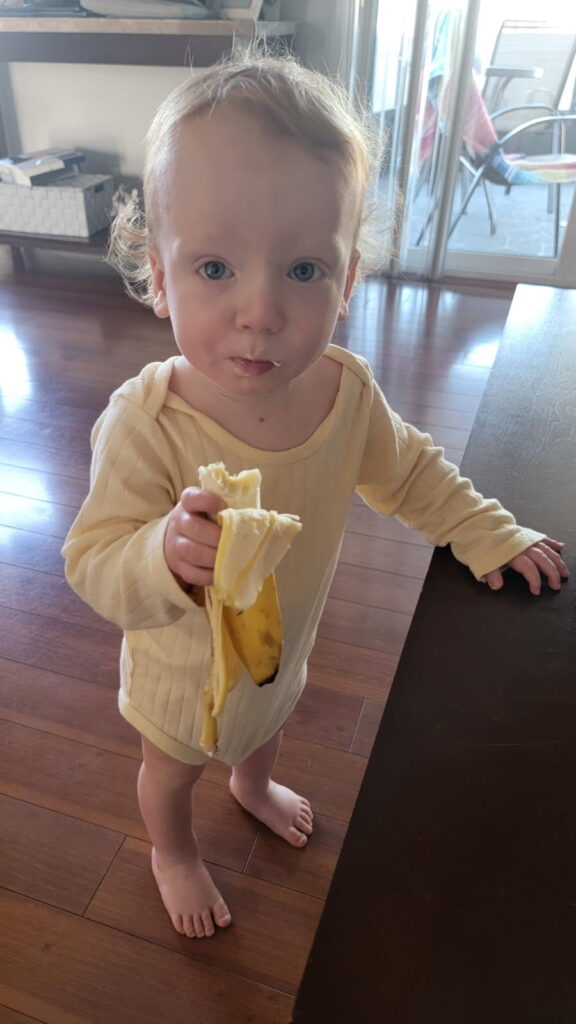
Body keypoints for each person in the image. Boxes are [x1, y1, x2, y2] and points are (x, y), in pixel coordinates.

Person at [62, 50, 569, 942]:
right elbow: (92, 559)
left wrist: (486, 532)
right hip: (180, 683)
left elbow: (410, 471)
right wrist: (161, 556)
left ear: (349, 280)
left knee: (269, 721)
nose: (260, 312)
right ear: (158, 270)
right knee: (170, 771)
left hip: (281, 648)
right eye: (215, 268)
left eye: (302, 271)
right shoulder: (148, 423)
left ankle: (252, 786)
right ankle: (172, 849)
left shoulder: (344, 392)